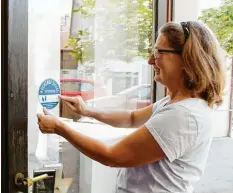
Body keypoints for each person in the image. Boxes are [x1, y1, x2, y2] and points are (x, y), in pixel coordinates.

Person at [37, 21, 225, 193]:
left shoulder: (183, 116)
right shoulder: (176, 103)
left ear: (186, 59)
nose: (151, 60)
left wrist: (59, 128)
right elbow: (132, 118)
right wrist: (87, 111)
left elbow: (112, 156)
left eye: (159, 52)